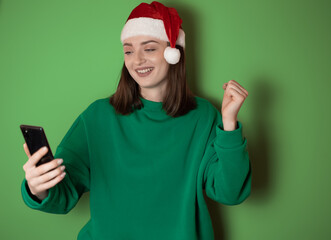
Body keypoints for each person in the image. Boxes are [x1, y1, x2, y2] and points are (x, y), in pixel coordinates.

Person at [21, 1, 251, 239]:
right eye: (128, 50)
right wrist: (38, 188)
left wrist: (229, 124)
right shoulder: (97, 117)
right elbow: (63, 196)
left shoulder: (203, 116)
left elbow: (231, 192)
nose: (137, 60)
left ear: (174, 53)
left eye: (149, 48)